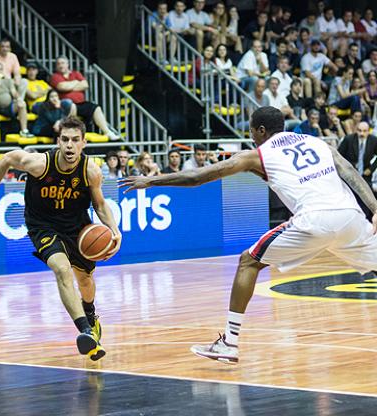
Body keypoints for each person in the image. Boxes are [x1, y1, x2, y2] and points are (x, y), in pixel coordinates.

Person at [119, 106, 377, 365]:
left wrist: (151, 181)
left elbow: (198, 177)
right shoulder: (317, 143)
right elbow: (350, 173)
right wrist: (375, 208)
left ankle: (229, 343)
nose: (252, 137)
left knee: (248, 261)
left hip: (314, 219)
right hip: (351, 216)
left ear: (261, 130)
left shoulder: (257, 155)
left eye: (252, 131)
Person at [0, 116, 121, 361]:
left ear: (83, 143)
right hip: (43, 226)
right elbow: (7, 159)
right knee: (62, 269)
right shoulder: (39, 164)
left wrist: (115, 230)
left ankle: (90, 314)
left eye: (75, 140)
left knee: (85, 279)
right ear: (58, 141)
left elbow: (99, 205)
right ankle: (86, 331)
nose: (69, 145)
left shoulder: (91, 171)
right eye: (65, 140)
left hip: (77, 228)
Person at [50, 56, 120, 141]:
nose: (61, 65)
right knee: (71, 106)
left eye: (63, 63)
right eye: (58, 64)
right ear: (56, 66)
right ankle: (72, 134)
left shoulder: (76, 73)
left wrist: (69, 86)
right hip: (65, 105)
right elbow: (62, 87)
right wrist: (76, 82)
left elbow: (85, 85)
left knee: (96, 108)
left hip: (81, 102)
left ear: (67, 64)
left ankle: (108, 132)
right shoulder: (55, 76)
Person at [0, 62, 33, 137]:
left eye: (0, 69)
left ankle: (24, 130)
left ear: (2, 70)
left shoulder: (8, 80)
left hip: (6, 107)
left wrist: (18, 99)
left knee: (22, 104)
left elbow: (14, 92)